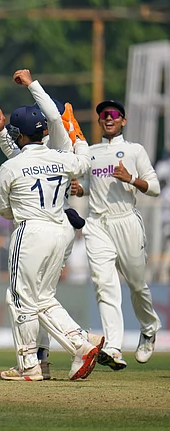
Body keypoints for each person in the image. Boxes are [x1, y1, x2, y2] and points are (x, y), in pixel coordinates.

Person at [0, 69, 97, 379]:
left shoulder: (12, 167)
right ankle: (80, 344)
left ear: (21, 135)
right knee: (43, 298)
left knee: (19, 298)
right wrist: (79, 140)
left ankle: (29, 365)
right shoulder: (60, 158)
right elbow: (85, 163)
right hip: (59, 231)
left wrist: (18, 211)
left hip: (31, 231)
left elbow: (2, 208)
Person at [73, 100, 162, 369]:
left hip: (126, 222)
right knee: (104, 284)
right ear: (99, 121)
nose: (107, 118)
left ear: (123, 120)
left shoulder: (134, 151)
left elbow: (155, 188)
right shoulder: (91, 152)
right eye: (103, 115)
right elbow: (95, 185)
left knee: (136, 285)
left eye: (113, 115)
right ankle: (113, 346)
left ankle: (149, 327)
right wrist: (82, 190)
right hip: (97, 224)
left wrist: (131, 179)